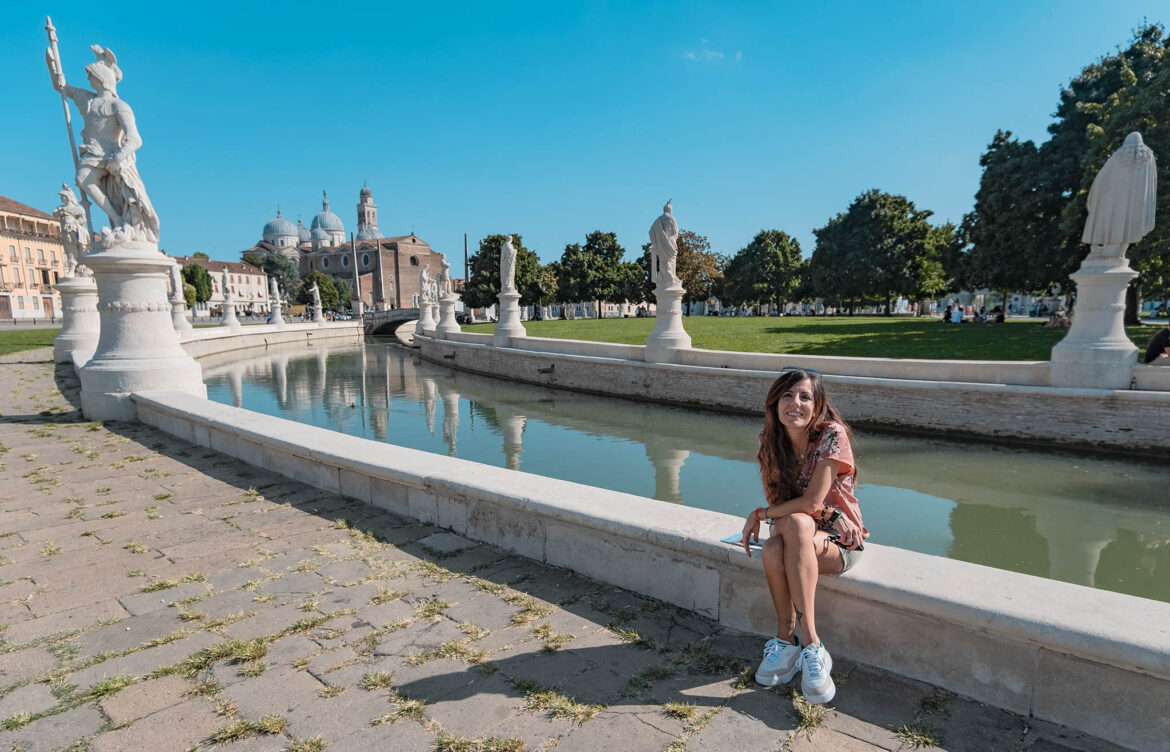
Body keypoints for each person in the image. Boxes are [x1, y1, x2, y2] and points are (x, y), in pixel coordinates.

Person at [741, 368, 867, 705]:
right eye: (787, 395)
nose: (794, 403)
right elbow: (783, 516)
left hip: (840, 543)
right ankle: (786, 642)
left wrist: (759, 515)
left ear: (818, 405)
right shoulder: (769, 441)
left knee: (793, 526)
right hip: (799, 535)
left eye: (805, 396)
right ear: (775, 402)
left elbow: (807, 504)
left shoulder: (832, 435)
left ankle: (811, 644)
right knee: (773, 546)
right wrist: (778, 515)